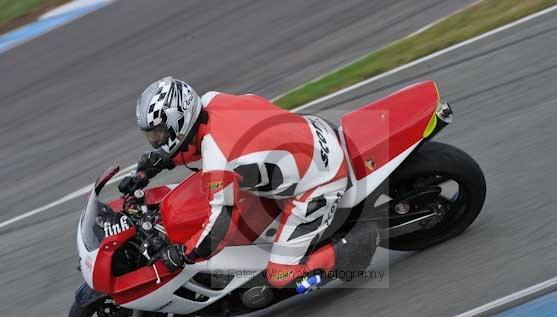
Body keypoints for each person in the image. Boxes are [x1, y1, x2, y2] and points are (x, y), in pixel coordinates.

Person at [120, 76, 378, 291]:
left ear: (178, 122)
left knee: (281, 277)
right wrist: (148, 168)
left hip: (320, 179)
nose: (155, 139)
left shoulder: (219, 160)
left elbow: (218, 228)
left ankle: (353, 247)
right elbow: (188, 147)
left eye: (158, 133)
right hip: (310, 132)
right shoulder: (211, 101)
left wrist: (182, 254)